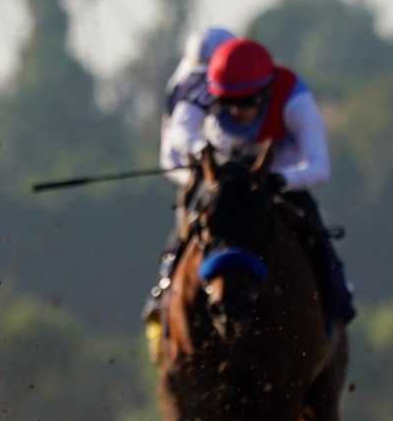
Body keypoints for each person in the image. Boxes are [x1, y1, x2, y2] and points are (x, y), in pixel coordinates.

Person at [171, 37, 356, 329]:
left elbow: (320, 167)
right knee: (191, 222)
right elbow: (180, 131)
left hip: (279, 174)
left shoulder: (295, 100)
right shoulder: (202, 89)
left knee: (314, 231)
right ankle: (162, 296)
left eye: (245, 102)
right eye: (227, 101)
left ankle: (337, 302)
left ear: (266, 92)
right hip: (224, 172)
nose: (235, 111)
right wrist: (200, 151)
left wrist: (280, 180)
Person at [143, 26, 234, 334]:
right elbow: (173, 151)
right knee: (192, 223)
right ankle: (162, 289)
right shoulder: (184, 86)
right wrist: (200, 166)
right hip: (188, 169)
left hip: (230, 168)